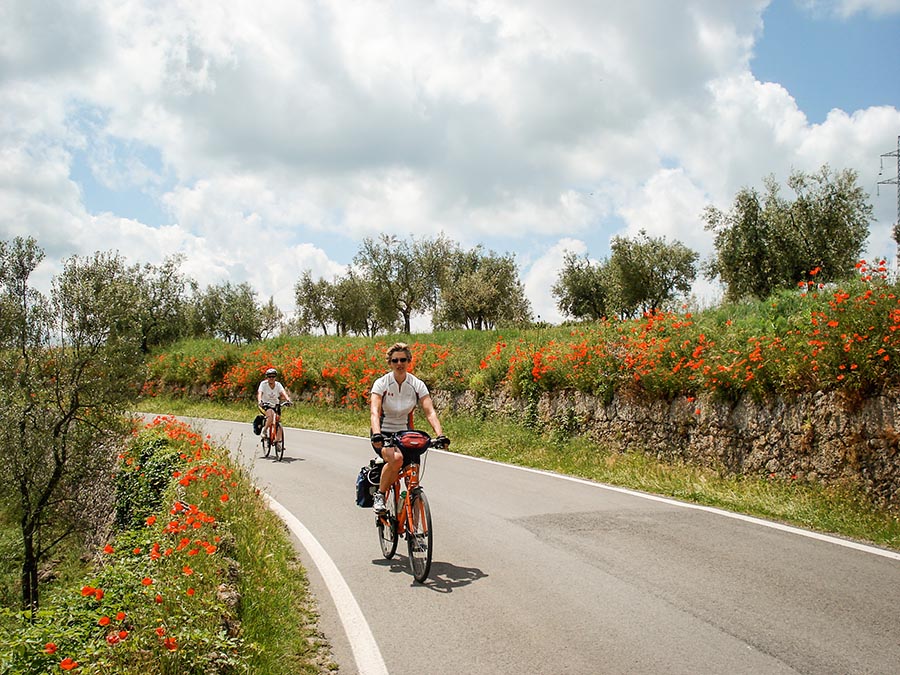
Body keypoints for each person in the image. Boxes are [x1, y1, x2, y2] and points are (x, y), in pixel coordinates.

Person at [369, 342, 448, 513]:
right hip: (383, 433)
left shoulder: (416, 384)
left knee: (413, 483)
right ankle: (380, 495)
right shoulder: (381, 383)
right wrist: (376, 434)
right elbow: (375, 412)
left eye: (403, 360)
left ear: (408, 361)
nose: (399, 364)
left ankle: (416, 534)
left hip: (406, 435)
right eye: (395, 360)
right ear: (390, 363)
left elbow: (430, 412)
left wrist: (440, 435)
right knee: (396, 459)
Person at [257, 367, 292, 442]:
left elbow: (283, 392)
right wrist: (260, 401)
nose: (271, 378)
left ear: (275, 377)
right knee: (270, 415)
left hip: (276, 405)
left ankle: (277, 441)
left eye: (273, 376)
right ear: (267, 377)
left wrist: (288, 399)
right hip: (266, 405)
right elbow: (260, 393)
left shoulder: (278, 385)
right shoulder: (263, 384)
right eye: (269, 376)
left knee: (278, 421)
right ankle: (265, 430)